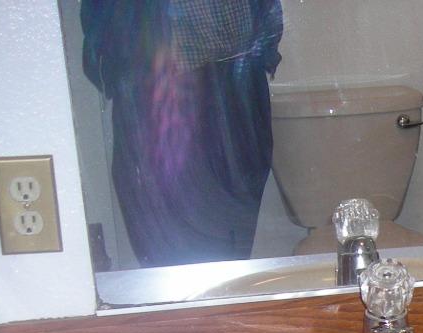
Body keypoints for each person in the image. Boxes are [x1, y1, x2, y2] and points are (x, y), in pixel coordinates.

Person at [81, 0, 284, 266]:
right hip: (155, 81)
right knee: (165, 239)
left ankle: (219, 300)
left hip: (237, 78)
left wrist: (264, 52)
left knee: (231, 234)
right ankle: (180, 304)